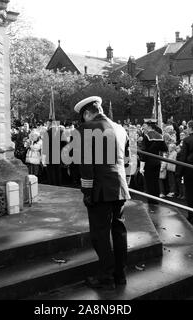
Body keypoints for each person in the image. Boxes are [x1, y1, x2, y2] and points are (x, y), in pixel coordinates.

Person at [74, 96, 130, 290]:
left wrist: (87, 190)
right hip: (120, 186)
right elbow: (127, 160)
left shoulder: (85, 128)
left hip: (99, 188)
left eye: (84, 117)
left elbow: (86, 164)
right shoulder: (121, 129)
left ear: (87, 113)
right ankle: (120, 274)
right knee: (119, 231)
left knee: (100, 233)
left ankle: (106, 274)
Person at [138, 122, 168, 203]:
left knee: (149, 183)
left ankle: (151, 201)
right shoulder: (160, 136)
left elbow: (144, 152)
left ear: (149, 127)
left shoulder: (146, 136)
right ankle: (156, 200)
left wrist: (141, 167)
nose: (144, 128)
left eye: (145, 126)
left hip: (148, 162)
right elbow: (165, 148)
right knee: (155, 182)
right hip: (157, 161)